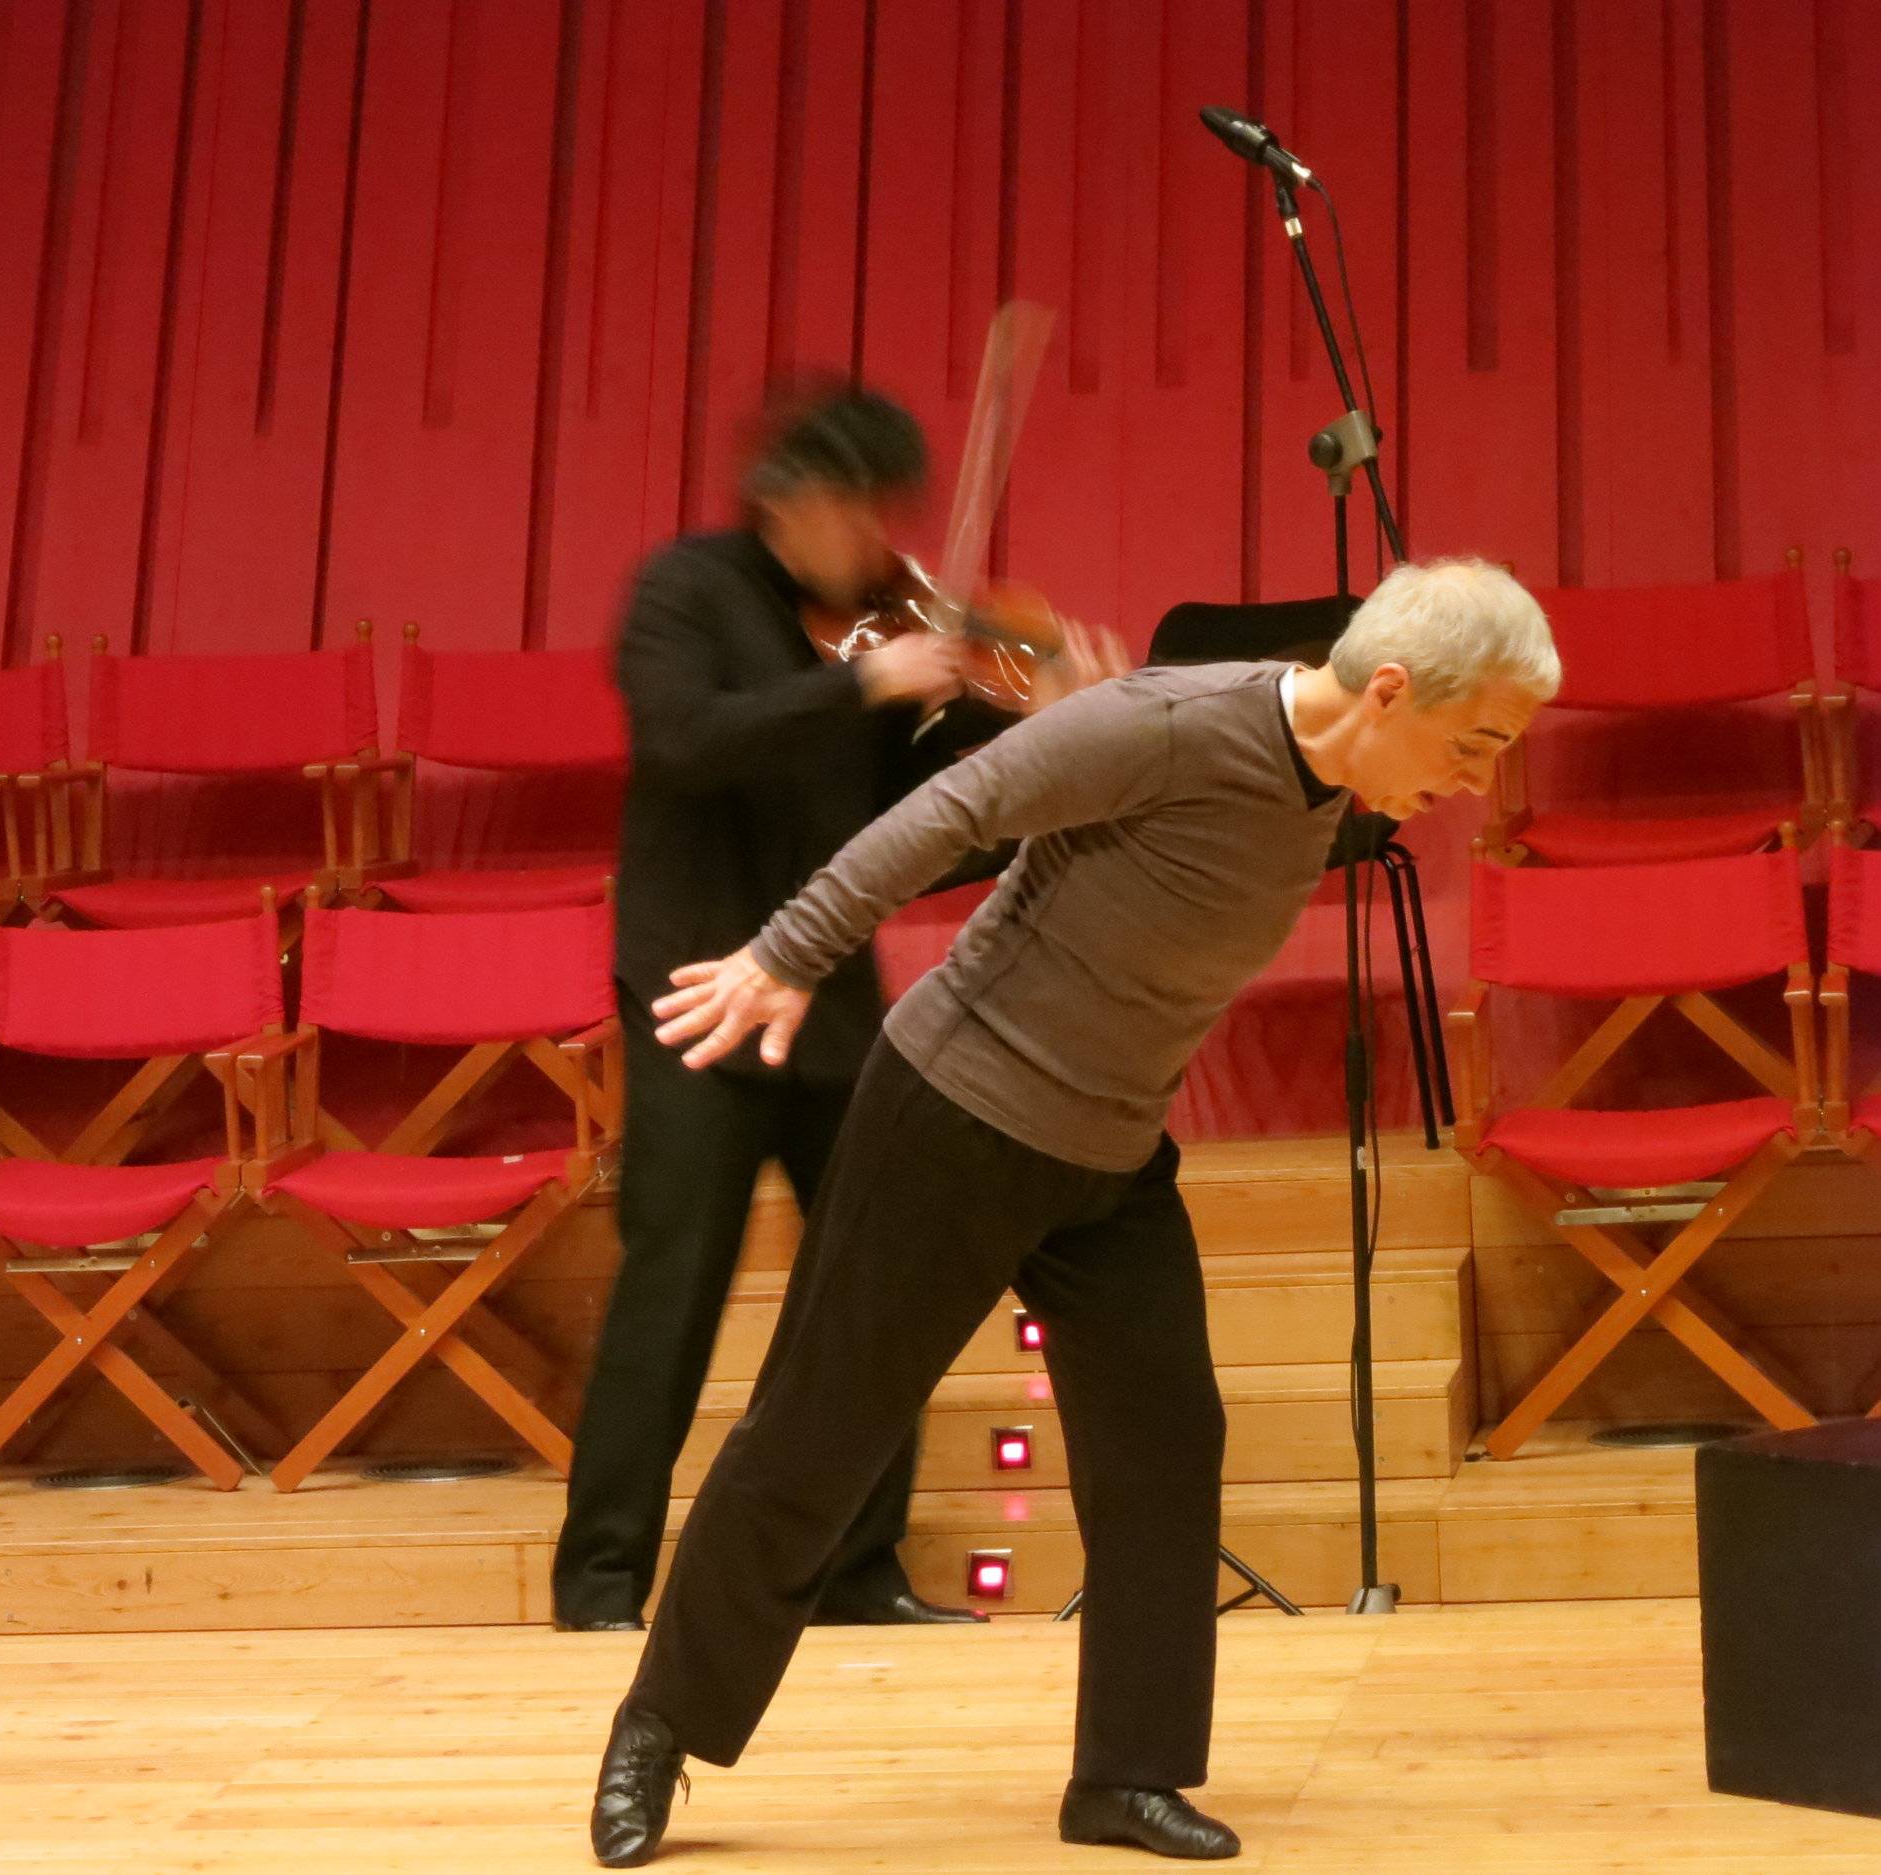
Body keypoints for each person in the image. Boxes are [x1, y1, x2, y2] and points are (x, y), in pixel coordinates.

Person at [588, 558, 1560, 1865]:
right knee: (819, 1433)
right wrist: (783, 956)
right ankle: (661, 1721)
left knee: (1166, 1440)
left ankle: (1126, 1776)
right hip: (954, 1114)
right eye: (1478, 742)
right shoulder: (1167, 724)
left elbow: (1252, 799)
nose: (1481, 782)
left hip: (1109, 1150)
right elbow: (947, 811)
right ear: (1387, 689)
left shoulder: (1333, 782)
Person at [550, 383, 1125, 1632]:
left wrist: (1046, 724)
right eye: (863, 516)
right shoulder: (684, 595)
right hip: (695, 998)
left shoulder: (872, 634)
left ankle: (858, 1574)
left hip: (831, 1006)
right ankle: (600, 1583)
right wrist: (858, 684)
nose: (882, 546)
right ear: (797, 504)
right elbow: (684, 743)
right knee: (675, 1286)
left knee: (879, 1284)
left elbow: (916, 821)